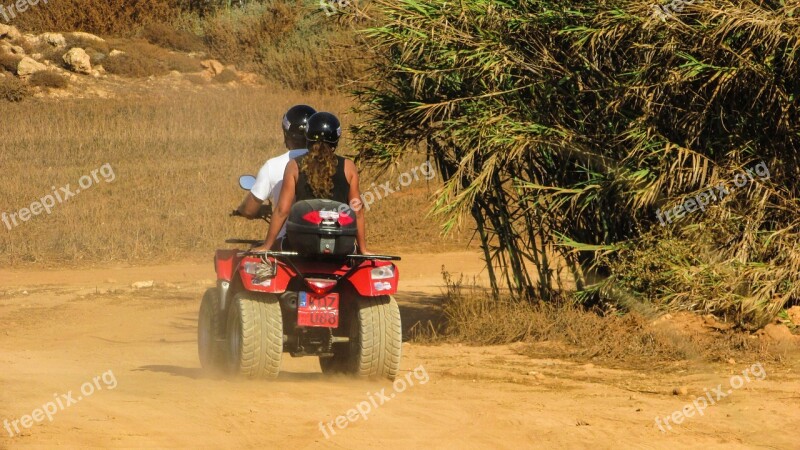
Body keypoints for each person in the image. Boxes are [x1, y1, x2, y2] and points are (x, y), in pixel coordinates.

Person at [253, 112, 369, 254]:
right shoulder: (349, 167)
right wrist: (363, 249)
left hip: (300, 244)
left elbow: (282, 210)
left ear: (307, 136)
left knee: (275, 245)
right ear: (336, 139)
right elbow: (357, 212)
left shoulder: (294, 166)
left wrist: (267, 246)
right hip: (340, 245)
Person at [236, 105, 317, 241]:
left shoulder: (273, 166)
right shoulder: (332, 164)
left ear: (286, 134)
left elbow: (249, 210)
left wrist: (241, 209)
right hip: (333, 243)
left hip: (287, 243)